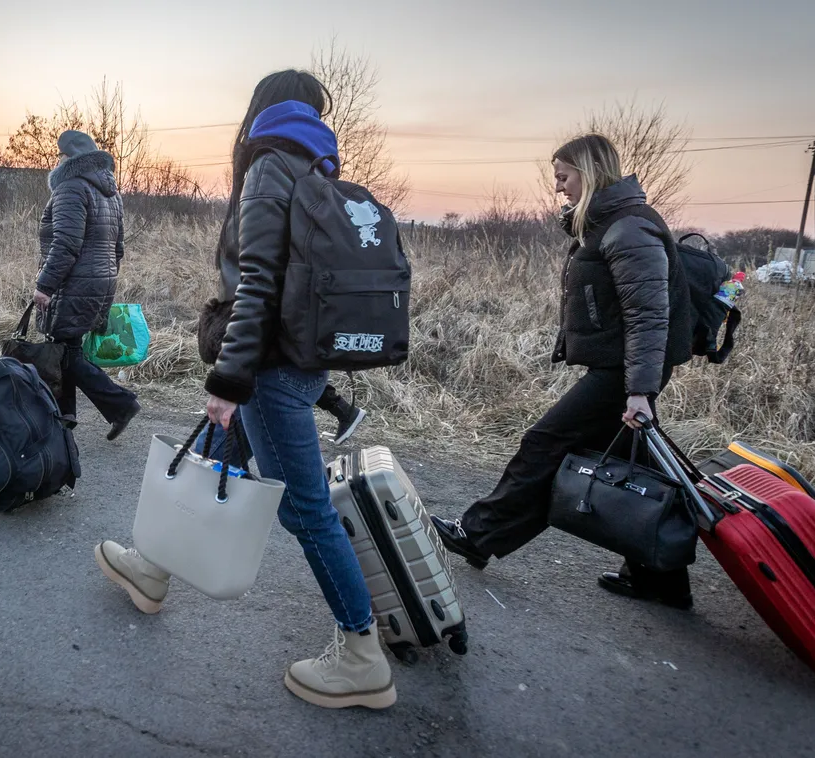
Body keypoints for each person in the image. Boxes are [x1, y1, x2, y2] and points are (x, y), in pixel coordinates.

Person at [95, 71, 396, 710]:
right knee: (214, 457)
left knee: (306, 510)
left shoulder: (269, 165)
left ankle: (362, 653)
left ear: (260, 109)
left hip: (271, 368)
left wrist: (229, 380)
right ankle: (152, 566)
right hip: (300, 358)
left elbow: (256, 282)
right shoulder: (318, 171)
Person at [432, 134, 696, 609]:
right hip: (621, 369)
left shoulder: (630, 228)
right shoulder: (610, 223)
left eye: (563, 177)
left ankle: (477, 533)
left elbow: (648, 317)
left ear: (590, 173)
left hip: (623, 374)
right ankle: (661, 580)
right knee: (639, 466)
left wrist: (638, 390)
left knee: (545, 443)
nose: (559, 188)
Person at [32, 130, 141, 441]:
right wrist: (105, 280)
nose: (56, 160)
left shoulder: (70, 188)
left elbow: (65, 244)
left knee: (64, 352)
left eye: (59, 155)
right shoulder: (111, 192)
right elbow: (118, 247)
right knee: (66, 347)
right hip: (100, 281)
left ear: (69, 158)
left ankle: (121, 404)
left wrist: (45, 285)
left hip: (74, 282)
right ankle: (64, 417)